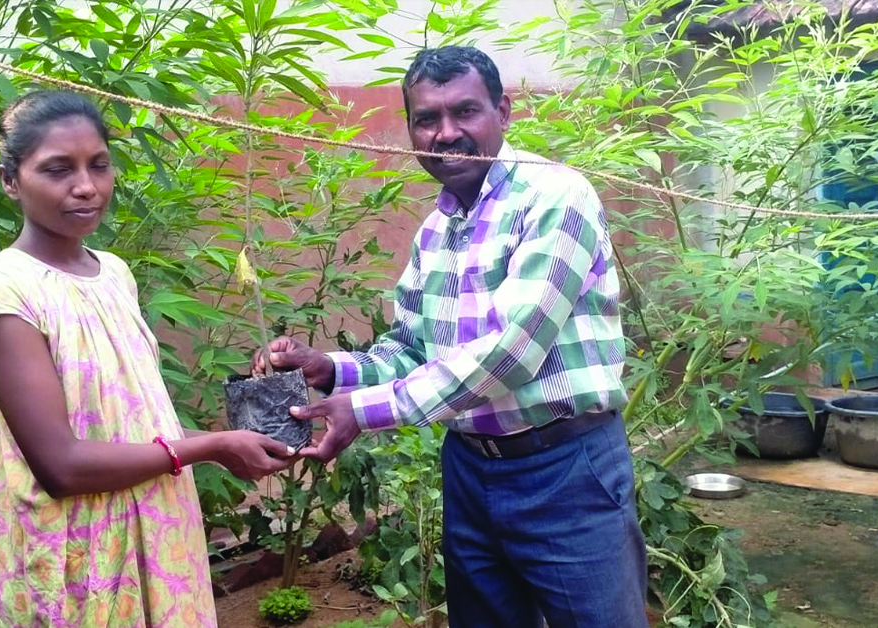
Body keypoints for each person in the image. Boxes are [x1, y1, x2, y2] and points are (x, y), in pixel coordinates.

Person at [254, 47, 648, 627]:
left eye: (465, 112)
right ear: (411, 128)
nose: (447, 134)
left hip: (566, 469)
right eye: (427, 119)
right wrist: (331, 369)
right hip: (470, 470)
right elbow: (411, 349)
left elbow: (510, 351)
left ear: (503, 112)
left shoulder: (555, 197)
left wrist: (363, 411)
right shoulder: (436, 231)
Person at [0, 90, 294, 628]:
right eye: (56, 170)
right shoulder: (4, 292)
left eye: (99, 164)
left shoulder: (114, 272)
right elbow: (61, 466)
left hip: (158, 525)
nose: (86, 187)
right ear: (9, 180)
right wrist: (209, 447)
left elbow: (129, 405)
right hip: (78, 547)